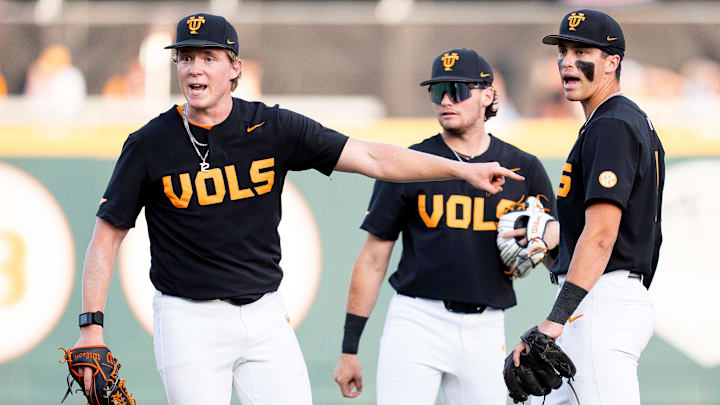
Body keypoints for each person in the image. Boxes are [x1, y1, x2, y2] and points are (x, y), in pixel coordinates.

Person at [71, 14, 522, 405]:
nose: (195, 69)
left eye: (209, 58)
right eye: (186, 58)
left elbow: (373, 158)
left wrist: (461, 170)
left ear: (235, 69)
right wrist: (92, 325)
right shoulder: (150, 143)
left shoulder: (272, 127)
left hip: (265, 315)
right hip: (189, 319)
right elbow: (106, 236)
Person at [333, 48, 557, 405]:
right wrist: (349, 348)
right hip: (416, 320)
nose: (446, 100)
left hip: (486, 324)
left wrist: (546, 245)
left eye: (457, 89)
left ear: (487, 94)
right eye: (437, 91)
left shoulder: (522, 168)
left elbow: (556, 258)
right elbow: (373, 258)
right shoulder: (410, 163)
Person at [510, 9, 665, 405]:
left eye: (582, 51)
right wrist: (549, 244)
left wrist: (554, 322)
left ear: (613, 62)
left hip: (600, 303)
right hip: (597, 299)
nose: (567, 61)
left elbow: (601, 237)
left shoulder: (611, 125)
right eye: (563, 51)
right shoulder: (620, 121)